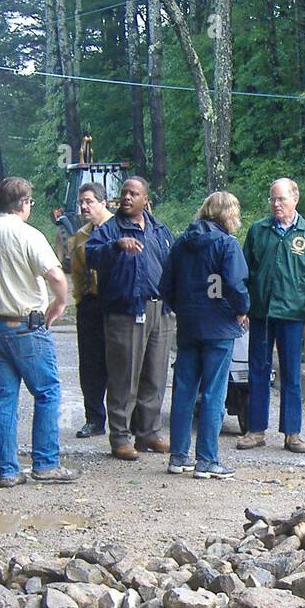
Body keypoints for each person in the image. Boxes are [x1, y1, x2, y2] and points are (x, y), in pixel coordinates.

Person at [0, 176, 75, 488]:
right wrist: (59, 304)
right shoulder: (27, 235)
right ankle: (46, 464)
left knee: (4, 397)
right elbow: (55, 275)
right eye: (30, 203)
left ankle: (8, 471)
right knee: (47, 391)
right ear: (23, 203)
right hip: (26, 326)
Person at [236, 177, 305, 454]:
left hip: (293, 314)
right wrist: (242, 307)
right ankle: (255, 430)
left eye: (281, 199)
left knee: (291, 374)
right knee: (257, 371)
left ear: (295, 199)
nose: (276, 204)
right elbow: (243, 272)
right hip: (262, 313)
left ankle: (292, 433)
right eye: (273, 199)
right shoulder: (258, 231)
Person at [160, 191, 250, 479]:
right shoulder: (227, 244)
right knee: (214, 392)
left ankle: (178, 455)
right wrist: (242, 310)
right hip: (219, 326)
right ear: (229, 214)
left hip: (189, 325)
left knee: (184, 390)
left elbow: (166, 286)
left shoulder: (181, 243)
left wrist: (183, 308)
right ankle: (207, 460)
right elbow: (236, 284)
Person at [84, 176, 175, 461]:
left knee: (155, 375)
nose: (126, 197)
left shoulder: (160, 229)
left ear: (145, 199)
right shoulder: (109, 229)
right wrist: (115, 247)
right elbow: (90, 256)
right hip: (125, 310)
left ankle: (148, 431)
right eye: (124, 192)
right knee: (125, 376)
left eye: (133, 193)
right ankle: (121, 437)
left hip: (160, 309)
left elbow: (172, 263)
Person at [68, 181, 112, 438]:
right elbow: (76, 272)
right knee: (90, 364)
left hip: (117, 303)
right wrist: (81, 299)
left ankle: (124, 421)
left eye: (89, 201)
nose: (84, 206)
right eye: (81, 202)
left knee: (119, 363)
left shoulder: (119, 228)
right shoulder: (80, 236)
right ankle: (94, 418)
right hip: (90, 304)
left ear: (103, 202)